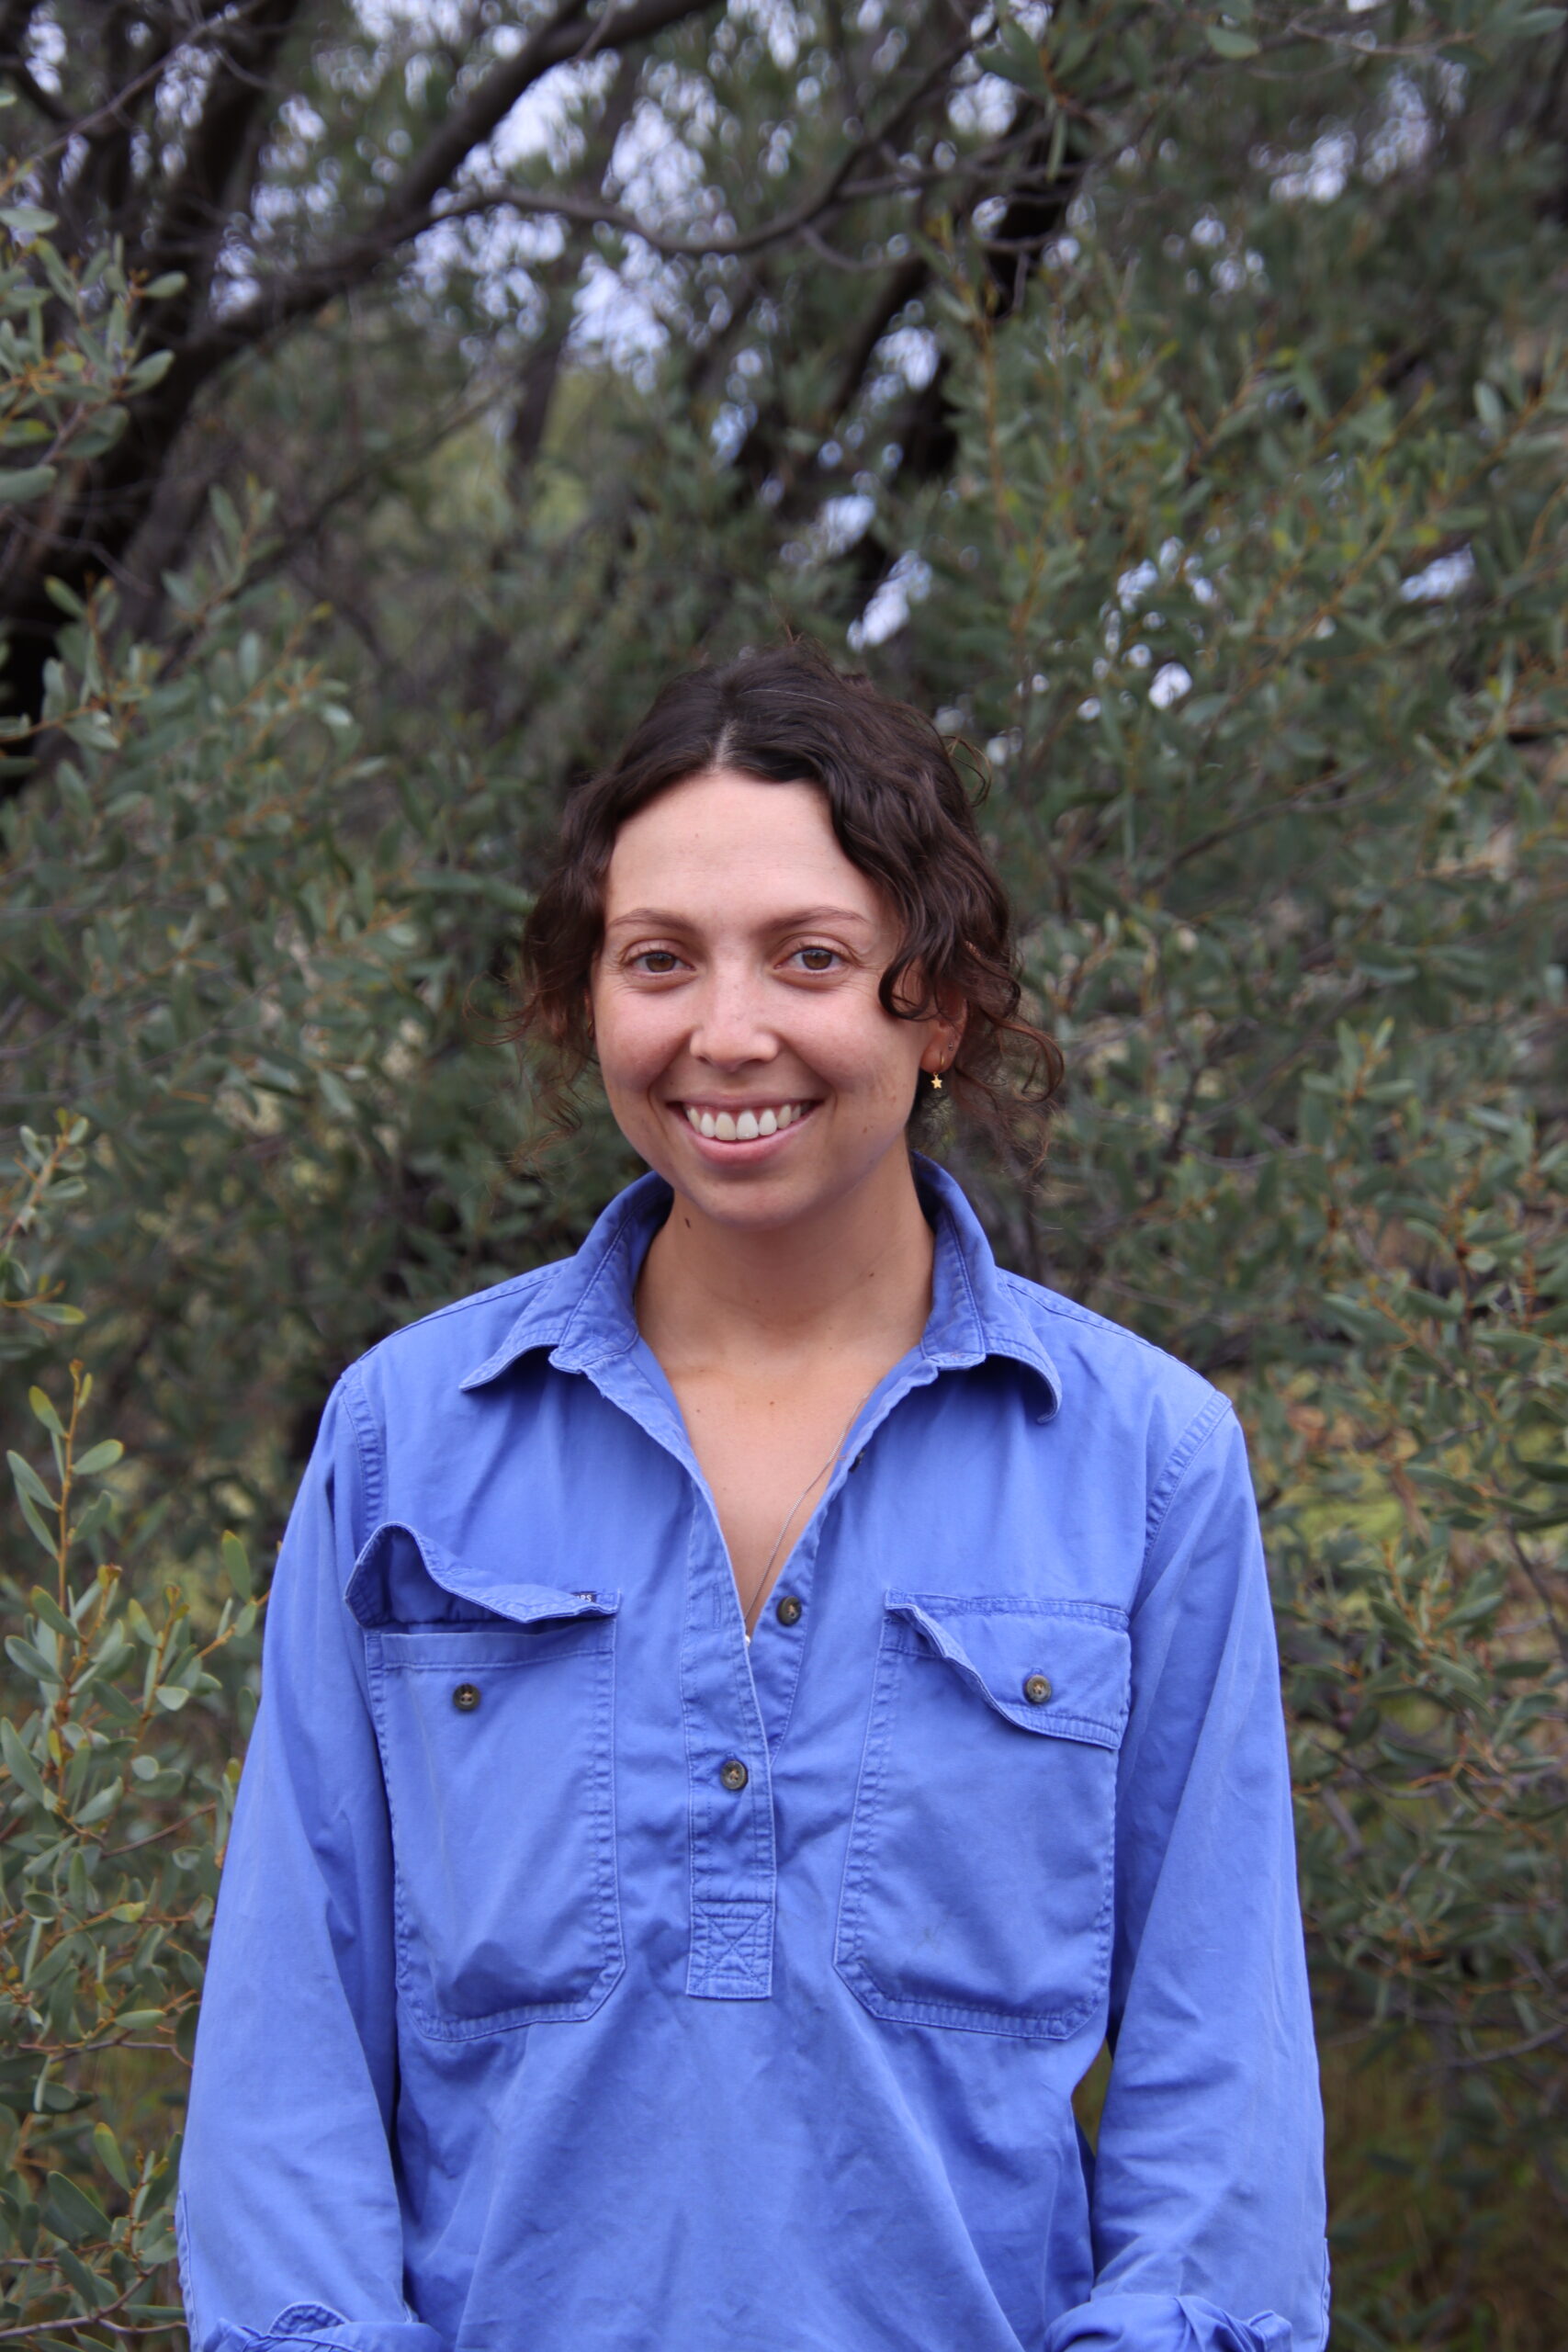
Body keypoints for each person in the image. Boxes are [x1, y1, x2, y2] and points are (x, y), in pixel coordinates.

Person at [180, 641, 1327, 2352]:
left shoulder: (1146, 1462)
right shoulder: (402, 1445)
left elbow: (1216, 2098)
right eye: (659, 961)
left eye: (810, 958)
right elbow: (287, 2066)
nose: (728, 1032)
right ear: (589, 1000)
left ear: (932, 1002)